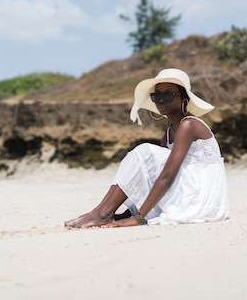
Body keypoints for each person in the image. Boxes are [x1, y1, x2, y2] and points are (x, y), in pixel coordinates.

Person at [65, 68, 229, 228]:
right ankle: (104, 211)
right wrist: (126, 215)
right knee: (142, 158)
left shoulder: (189, 125)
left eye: (168, 94)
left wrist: (139, 218)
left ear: (183, 98)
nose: (161, 99)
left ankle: (102, 213)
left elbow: (168, 175)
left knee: (143, 152)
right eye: (156, 95)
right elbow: (152, 178)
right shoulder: (167, 135)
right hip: (187, 192)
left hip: (201, 198)